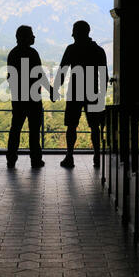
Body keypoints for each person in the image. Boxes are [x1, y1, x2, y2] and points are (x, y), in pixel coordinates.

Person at [54, 20, 108, 168]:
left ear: (76, 33)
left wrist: (55, 89)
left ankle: (69, 156)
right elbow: (104, 76)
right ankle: (97, 156)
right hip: (93, 92)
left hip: (75, 91)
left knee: (71, 125)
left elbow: (62, 71)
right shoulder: (98, 50)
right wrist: (101, 95)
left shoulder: (71, 49)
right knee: (95, 126)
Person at [6, 25, 54, 168]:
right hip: (33, 98)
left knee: (15, 128)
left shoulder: (12, 54)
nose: (34, 37)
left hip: (19, 98)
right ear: (25, 37)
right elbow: (39, 75)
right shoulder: (33, 53)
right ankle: (35, 159)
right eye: (31, 35)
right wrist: (51, 90)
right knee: (34, 130)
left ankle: (11, 159)